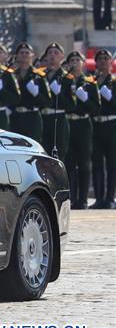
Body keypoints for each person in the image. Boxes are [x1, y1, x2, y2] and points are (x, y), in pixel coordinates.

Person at [63, 50, 100, 209]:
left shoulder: (90, 83)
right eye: (72, 60)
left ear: (83, 63)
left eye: (78, 60)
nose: (75, 62)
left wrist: (85, 99)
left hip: (83, 124)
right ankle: (71, 198)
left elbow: (96, 109)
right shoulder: (66, 81)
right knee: (69, 163)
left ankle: (83, 199)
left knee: (84, 163)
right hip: (68, 123)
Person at [9, 42, 51, 143]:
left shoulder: (39, 76)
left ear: (32, 55)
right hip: (15, 117)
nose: (24, 55)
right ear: (16, 56)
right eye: (21, 53)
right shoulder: (11, 75)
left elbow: (47, 102)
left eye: (27, 53)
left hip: (32, 117)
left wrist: (37, 94)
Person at [40, 43, 75, 161]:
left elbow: (71, 105)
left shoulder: (67, 78)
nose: (52, 56)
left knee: (58, 157)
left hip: (58, 119)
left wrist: (59, 94)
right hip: (42, 119)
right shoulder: (40, 76)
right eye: (50, 53)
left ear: (62, 57)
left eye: (56, 53)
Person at [91, 49, 116, 208]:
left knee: (112, 163)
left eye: (106, 58)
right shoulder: (91, 81)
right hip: (95, 125)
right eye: (99, 58)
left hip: (112, 124)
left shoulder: (114, 82)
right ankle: (99, 198)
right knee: (97, 163)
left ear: (110, 62)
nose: (103, 61)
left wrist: (111, 97)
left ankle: (110, 198)